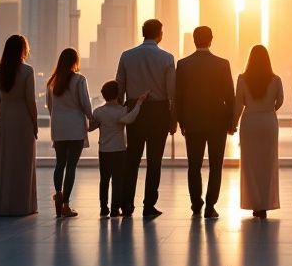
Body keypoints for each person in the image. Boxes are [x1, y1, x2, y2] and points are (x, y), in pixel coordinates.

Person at [116, 19, 177, 218]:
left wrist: (121, 112)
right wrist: (173, 118)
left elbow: (119, 87)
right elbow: (172, 93)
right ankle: (149, 205)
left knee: (132, 159)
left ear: (143, 33)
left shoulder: (127, 56)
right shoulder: (167, 58)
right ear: (159, 34)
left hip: (134, 110)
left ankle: (126, 204)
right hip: (159, 112)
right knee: (154, 161)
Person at [175, 26, 236, 220]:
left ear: (194, 40)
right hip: (218, 122)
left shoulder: (183, 64)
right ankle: (210, 206)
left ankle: (196, 203)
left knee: (194, 165)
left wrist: (181, 121)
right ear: (211, 40)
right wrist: (231, 121)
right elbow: (230, 96)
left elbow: (178, 96)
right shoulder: (222, 64)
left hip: (192, 121)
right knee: (216, 166)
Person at [0, 35, 39, 217]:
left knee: (3, 158)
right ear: (23, 49)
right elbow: (30, 100)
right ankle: (20, 204)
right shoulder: (27, 71)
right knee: (22, 160)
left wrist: (4, 109)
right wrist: (34, 122)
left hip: (4, 115)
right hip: (22, 116)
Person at [232, 45, 284, 219]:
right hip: (268, 122)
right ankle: (265, 203)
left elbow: (238, 104)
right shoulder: (276, 80)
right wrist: (269, 108)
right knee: (268, 164)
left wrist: (233, 124)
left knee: (251, 165)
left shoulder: (242, 79)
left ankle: (254, 203)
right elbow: (280, 101)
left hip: (250, 122)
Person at [46, 48, 93, 218]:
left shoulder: (52, 82)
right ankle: (65, 204)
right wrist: (92, 118)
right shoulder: (79, 80)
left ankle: (58, 193)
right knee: (71, 166)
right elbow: (85, 103)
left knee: (60, 163)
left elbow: (50, 107)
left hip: (58, 127)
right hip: (75, 128)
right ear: (75, 61)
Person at [89, 81, 146, 217]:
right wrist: (139, 103)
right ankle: (115, 208)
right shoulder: (122, 111)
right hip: (119, 150)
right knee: (117, 180)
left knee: (104, 180)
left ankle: (103, 207)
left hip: (104, 151)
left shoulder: (98, 112)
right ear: (117, 94)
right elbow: (131, 118)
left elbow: (90, 127)